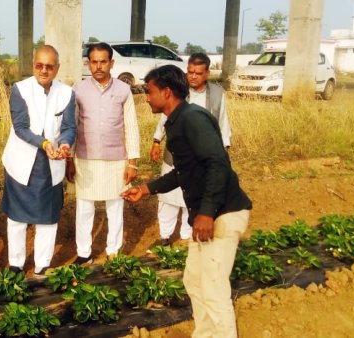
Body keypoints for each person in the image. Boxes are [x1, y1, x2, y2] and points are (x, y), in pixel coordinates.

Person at [121, 65, 252, 338]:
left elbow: (218, 163)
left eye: (150, 91)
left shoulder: (193, 119)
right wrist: (146, 189)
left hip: (222, 212)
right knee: (194, 280)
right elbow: (184, 172)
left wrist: (206, 213)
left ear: (166, 92)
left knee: (214, 288)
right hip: (209, 213)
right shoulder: (178, 121)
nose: (146, 97)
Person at [1, 45, 76, 277]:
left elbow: (69, 127)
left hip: (50, 164)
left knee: (48, 216)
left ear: (57, 68)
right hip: (22, 162)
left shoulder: (66, 93)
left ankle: (42, 264)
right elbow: (21, 127)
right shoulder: (20, 89)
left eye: (49, 66)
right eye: (39, 65)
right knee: (17, 217)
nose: (44, 70)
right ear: (33, 64)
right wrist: (44, 143)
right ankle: (16, 264)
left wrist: (64, 144)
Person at [148, 52, 232, 251]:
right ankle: (165, 237)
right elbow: (164, 117)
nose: (193, 76)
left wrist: (224, 149)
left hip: (202, 157)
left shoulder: (217, 94)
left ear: (207, 74)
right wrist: (156, 140)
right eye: (190, 72)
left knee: (193, 196)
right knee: (168, 198)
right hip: (177, 154)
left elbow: (223, 122)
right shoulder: (179, 92)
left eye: (198, 73)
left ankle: (187, 236)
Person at [67, 42, 139, 264]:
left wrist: (133, 162)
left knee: (115, 207)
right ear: (88, 64)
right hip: (85, 158)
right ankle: (84, 254)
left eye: (103, 61)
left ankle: (113, 252)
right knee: (84, 208)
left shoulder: (123, 90)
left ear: (111, 63)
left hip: (116, 159)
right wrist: (69, 159)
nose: (98, 66)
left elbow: (131, 125)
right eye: (94, 62)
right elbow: (72, 126)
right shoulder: (78, 90)